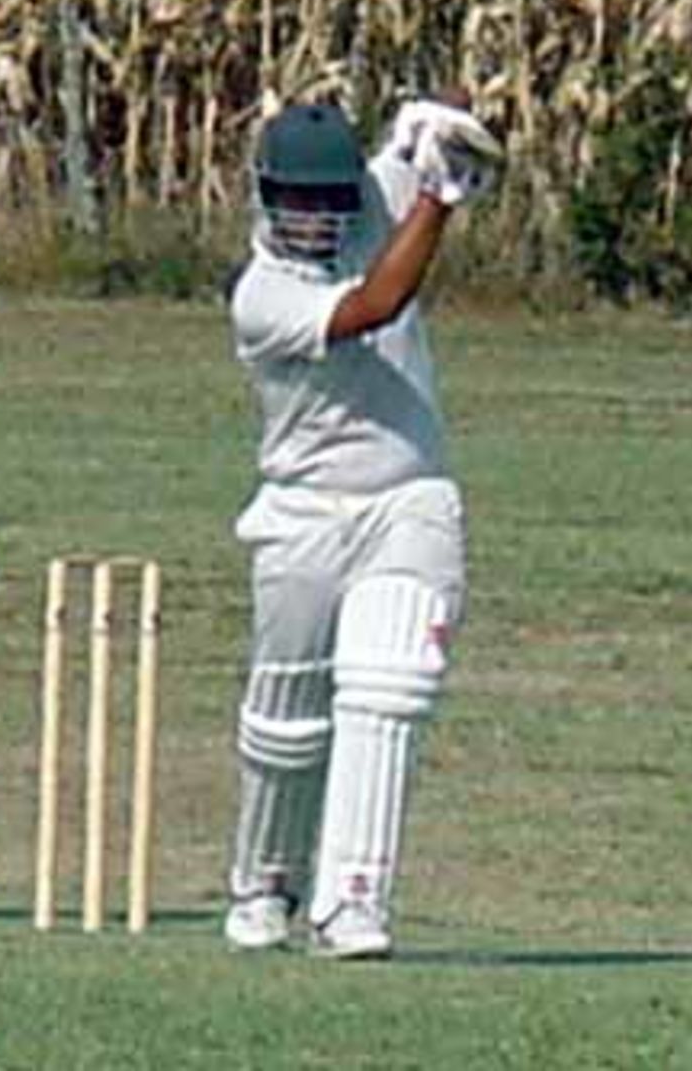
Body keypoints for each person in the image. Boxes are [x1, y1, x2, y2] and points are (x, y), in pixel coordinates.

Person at [221, 94, 502, 958]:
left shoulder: (369, 201)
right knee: (288, 720)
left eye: (328, 199)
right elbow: (375, 305)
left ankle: (352, 903)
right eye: (295, 201)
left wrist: (430, 139)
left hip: (408, 496)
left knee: (390, 688)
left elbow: (431, 150)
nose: (313, 218)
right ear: (267, 196)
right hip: (303, 509)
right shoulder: (261, 295)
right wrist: (439, 201)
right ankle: (266, 880)